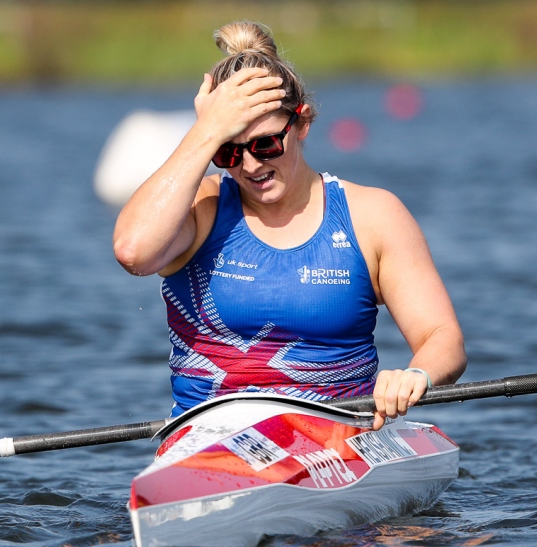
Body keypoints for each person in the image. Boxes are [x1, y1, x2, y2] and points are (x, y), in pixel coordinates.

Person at [113, 21, 466, 430]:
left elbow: (442, 337)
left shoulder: (373, 215)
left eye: (266, 144)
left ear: (302, 124)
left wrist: (415, 376)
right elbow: (133, 253)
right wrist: (205, 132)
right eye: (228, 151)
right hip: (208, 441)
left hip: (338, 442)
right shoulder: (201, 208)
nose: (251, 165)